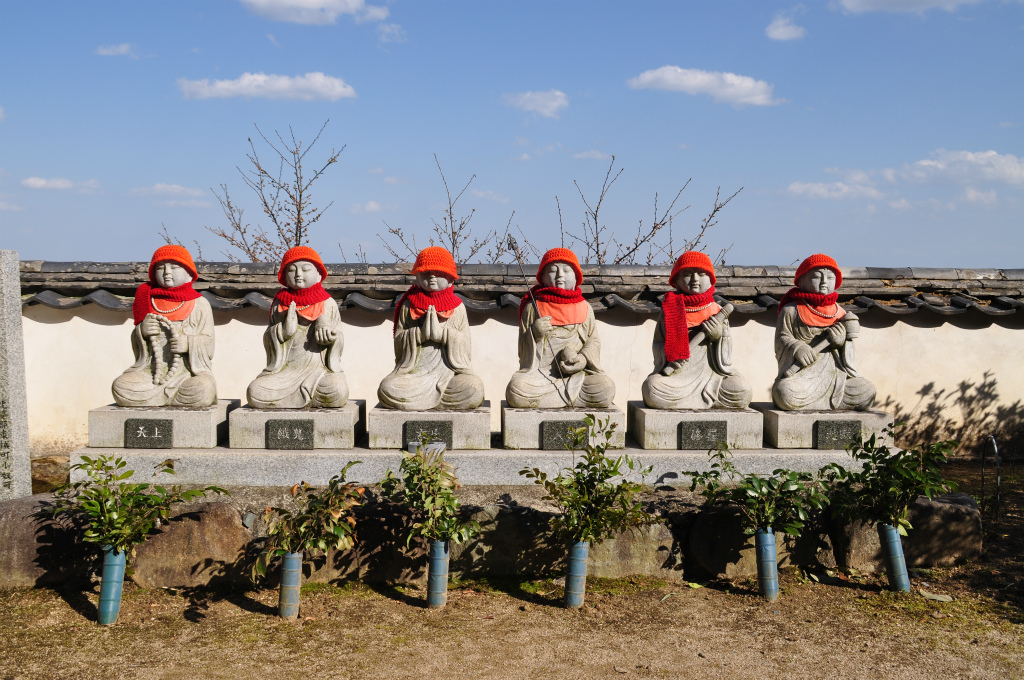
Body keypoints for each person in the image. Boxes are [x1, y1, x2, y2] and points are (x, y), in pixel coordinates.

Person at [505, 248, 615, 409]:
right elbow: (523, 350)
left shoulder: (584, 307)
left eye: (566, 270)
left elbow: (594, 341)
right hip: (541, 375)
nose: (560, 275)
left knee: (606, 387)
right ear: (542, 277)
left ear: (577, 276)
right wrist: (534, 333)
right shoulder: (533, 307)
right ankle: (568, 398)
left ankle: (556, 399)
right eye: (552, 271)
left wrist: (583, 359)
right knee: (516, 389)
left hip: (577, 375)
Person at [377, 246, 485, 411]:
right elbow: (399, 341)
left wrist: (443, 335)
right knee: (387, 388)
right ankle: (430, 401)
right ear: (417, 277)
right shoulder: (408, 305)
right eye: (426, 272)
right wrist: (419, 335)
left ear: (450, 277)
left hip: (449, 375)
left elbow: (466, 344)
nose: (432, 275)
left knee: (474, 388)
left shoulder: (457, 307)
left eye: (438, 271)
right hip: (415, 375)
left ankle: (430, 400)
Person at [642, 251, 752, 410]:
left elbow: (726, 358)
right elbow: (657, 343)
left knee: (742, 390)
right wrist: (669, 354)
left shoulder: (717, 312)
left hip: (712, 378)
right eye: (687, 274)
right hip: (677, 377)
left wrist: (717, 337)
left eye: (701, 274)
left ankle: (706, 398)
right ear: (677, 281)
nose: (695, 279)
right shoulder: (669, 311)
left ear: (711, 280)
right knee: (651, 388)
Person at [112, 245, 217, 407]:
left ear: (189, 273)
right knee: (120, 386)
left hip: (185, 375)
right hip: (152, 373)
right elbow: (138, 344)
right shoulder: (147, 300)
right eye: (161, 268)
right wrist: (142, 332)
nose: (167, 272)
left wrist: (189, 343)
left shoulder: (199, 304)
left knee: (203, 389)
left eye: (174, 267)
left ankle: (167, 395)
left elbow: (209, 343)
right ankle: (161, 395)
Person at [246, 246, 348, 409]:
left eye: (306, 269)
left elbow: (339, 339)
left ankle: (310, 395)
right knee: (255, 391)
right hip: (284, 374)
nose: (298, 274)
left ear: (319, 275)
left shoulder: (327, 303)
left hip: (318, 372)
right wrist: (283, 332)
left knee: (337, 389)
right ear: (285, 276)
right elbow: (268, 337)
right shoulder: (280, 304)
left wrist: (331, 336)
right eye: (292, 270)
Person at [772, 253, 875, 411]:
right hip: (802, 377)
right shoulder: (791, 310)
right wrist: (797, 347)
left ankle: (832, 400)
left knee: (867, 392)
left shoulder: (840, 314)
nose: (824, 282)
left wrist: (842, 343)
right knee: (784, 392)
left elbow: (849, 352)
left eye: (830, 277)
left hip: (836, 378)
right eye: (817, 277)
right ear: (801, 280)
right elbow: (781, 339)